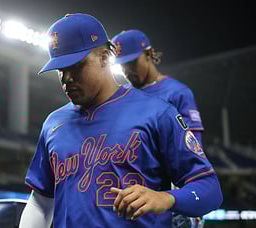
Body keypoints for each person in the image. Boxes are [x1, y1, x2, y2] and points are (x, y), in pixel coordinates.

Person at [19, 13, 222, 228]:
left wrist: (166, 198)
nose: (66, 78)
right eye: (60, 69)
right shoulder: (53, 123)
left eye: (76, 66)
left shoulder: (157, 113)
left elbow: (210, 189)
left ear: (105, 58)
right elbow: (41, 203)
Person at [111, 30, 206, 227]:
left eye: (131, 62)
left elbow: (193, 150)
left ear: (148, 54)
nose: (127, 71)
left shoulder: (177, 92)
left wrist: (188, 200)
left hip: (166, 195)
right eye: (122, 65)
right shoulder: (123, 96)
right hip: (132, 194)